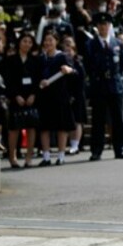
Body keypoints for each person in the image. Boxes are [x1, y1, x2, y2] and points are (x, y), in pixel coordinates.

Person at [86, 12, 123, 161]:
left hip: (115, 85)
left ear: (109, 26)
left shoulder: (117, 43)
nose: (103, 27)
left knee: (117, 119)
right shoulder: (91, 44)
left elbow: (121, 63)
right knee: (98, 120)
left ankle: (119, 149)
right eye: (100, 25)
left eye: (106, 24)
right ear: (97, 27)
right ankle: (96, 150)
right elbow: (89, 64)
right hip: (99, 84)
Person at [0, 34, 41, 168]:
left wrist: (34, 94)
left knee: (31, 127)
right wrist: (15, 95)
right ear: (19, 43)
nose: (27, 44)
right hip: (15, 97)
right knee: (14, 129)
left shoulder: (35, 60)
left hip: (31, 97)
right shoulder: (9, 60)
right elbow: (7, 80)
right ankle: (13, 157)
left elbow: (38, 79)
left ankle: (29, 157)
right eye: (24, 41)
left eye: (30, 42)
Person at [36, 31, 76, 166]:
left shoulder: (63, 57)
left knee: (61, 127)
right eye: (46, 40)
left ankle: (61, 156)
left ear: (56, 42)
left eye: (50, 40)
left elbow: (74, 72)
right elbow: (36, 75)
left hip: (60, 96)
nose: (48, 43)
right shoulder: (41, 59)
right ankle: (46, 156)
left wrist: (68, 70)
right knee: (44, 128)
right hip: (45, 97)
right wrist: (40, 82)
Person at [62, 37, 87, 156]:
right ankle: (71, 143)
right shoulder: (62, 60)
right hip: (65, 93)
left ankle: (75, 145)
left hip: (77, 94)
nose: (67, 49)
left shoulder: (79, 61)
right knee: (69, 120)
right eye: (65, 46)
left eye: (70, 46)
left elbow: (81, 77)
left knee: (77, 120)